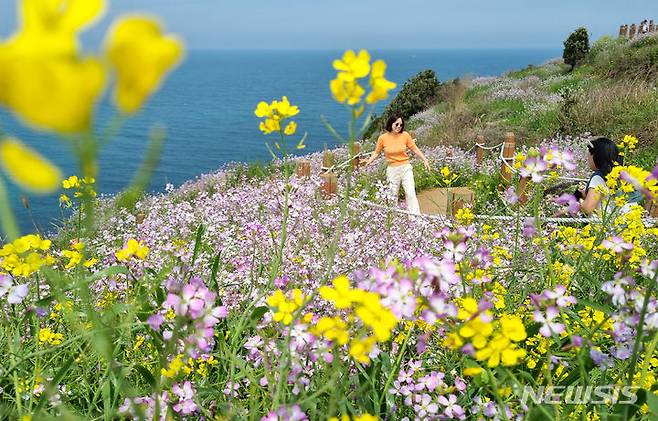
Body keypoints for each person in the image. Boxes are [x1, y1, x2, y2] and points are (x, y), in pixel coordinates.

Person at [363, 115, 431, 215]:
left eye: (401, 125)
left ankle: (415, 217)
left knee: (410, 193)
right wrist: (369, 161)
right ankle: (392, 218)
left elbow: (414, 149)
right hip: (392, 170)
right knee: (392, 195)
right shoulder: (382, 138)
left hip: (405, 168)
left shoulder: (405, 135)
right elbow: (376, 152)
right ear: (391, 123)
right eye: (397, 124)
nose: (399, 126)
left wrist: (425, 160)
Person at [575, 137, 641, 215]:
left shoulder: (598, 177)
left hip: (608, 225)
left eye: (589, 155)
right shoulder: (622, 173)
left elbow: (587, 208)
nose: (587, 159)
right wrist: (586, 195)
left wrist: (578, 199)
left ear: (595, 156)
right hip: (631, 222)